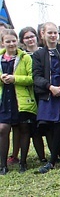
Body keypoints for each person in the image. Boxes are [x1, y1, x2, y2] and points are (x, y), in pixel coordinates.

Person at [32, 22, 60, 173]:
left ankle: (52, 162)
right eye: (49, 32)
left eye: (55, 32)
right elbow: (36, 76)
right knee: (49, 125)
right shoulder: (38, 54)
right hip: (48, 94)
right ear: (43, 34)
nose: (53, 35)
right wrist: (50, 88)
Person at [0, 29, 36, 174]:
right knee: (3, 129)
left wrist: (15, 79)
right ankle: (3, 164)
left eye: (13, 41)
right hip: (4, 100)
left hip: (21, 99)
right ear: (3, 42)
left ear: (17, 41)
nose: (11, 44)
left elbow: (32, 78)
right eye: (8, 41)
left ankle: (23, 162)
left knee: (23, 129)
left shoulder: (25, 58)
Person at [14, 27, 47, 165]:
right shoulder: (21, 57)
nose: (30, 39)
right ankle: (23, 158)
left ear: (37, 37)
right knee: (28, 128)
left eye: (32, 36)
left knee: (43, 126)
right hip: (27, 95)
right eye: (27, 37)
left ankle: (47, 155)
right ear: (22, 41)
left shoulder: (43, 52)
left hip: (43, 92)